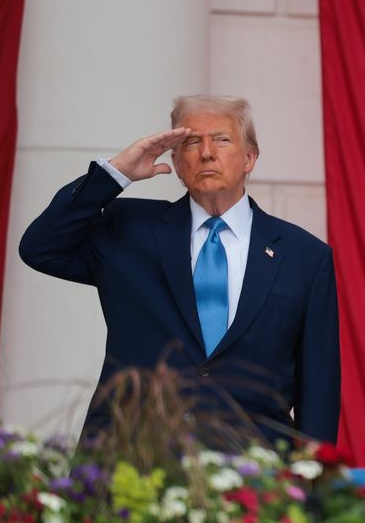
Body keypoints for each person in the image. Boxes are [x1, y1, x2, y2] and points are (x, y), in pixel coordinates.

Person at [20, 95, 340, 445]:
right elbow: (41, 247)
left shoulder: (304, 256)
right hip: (133, 463)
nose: (206, 152)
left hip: (253, 478)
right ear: (176, 161)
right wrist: (115, 174)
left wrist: (312, 489)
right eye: (191, 142)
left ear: (250, 158)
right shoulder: (127, 229)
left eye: (221, 139)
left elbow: (318, 391)